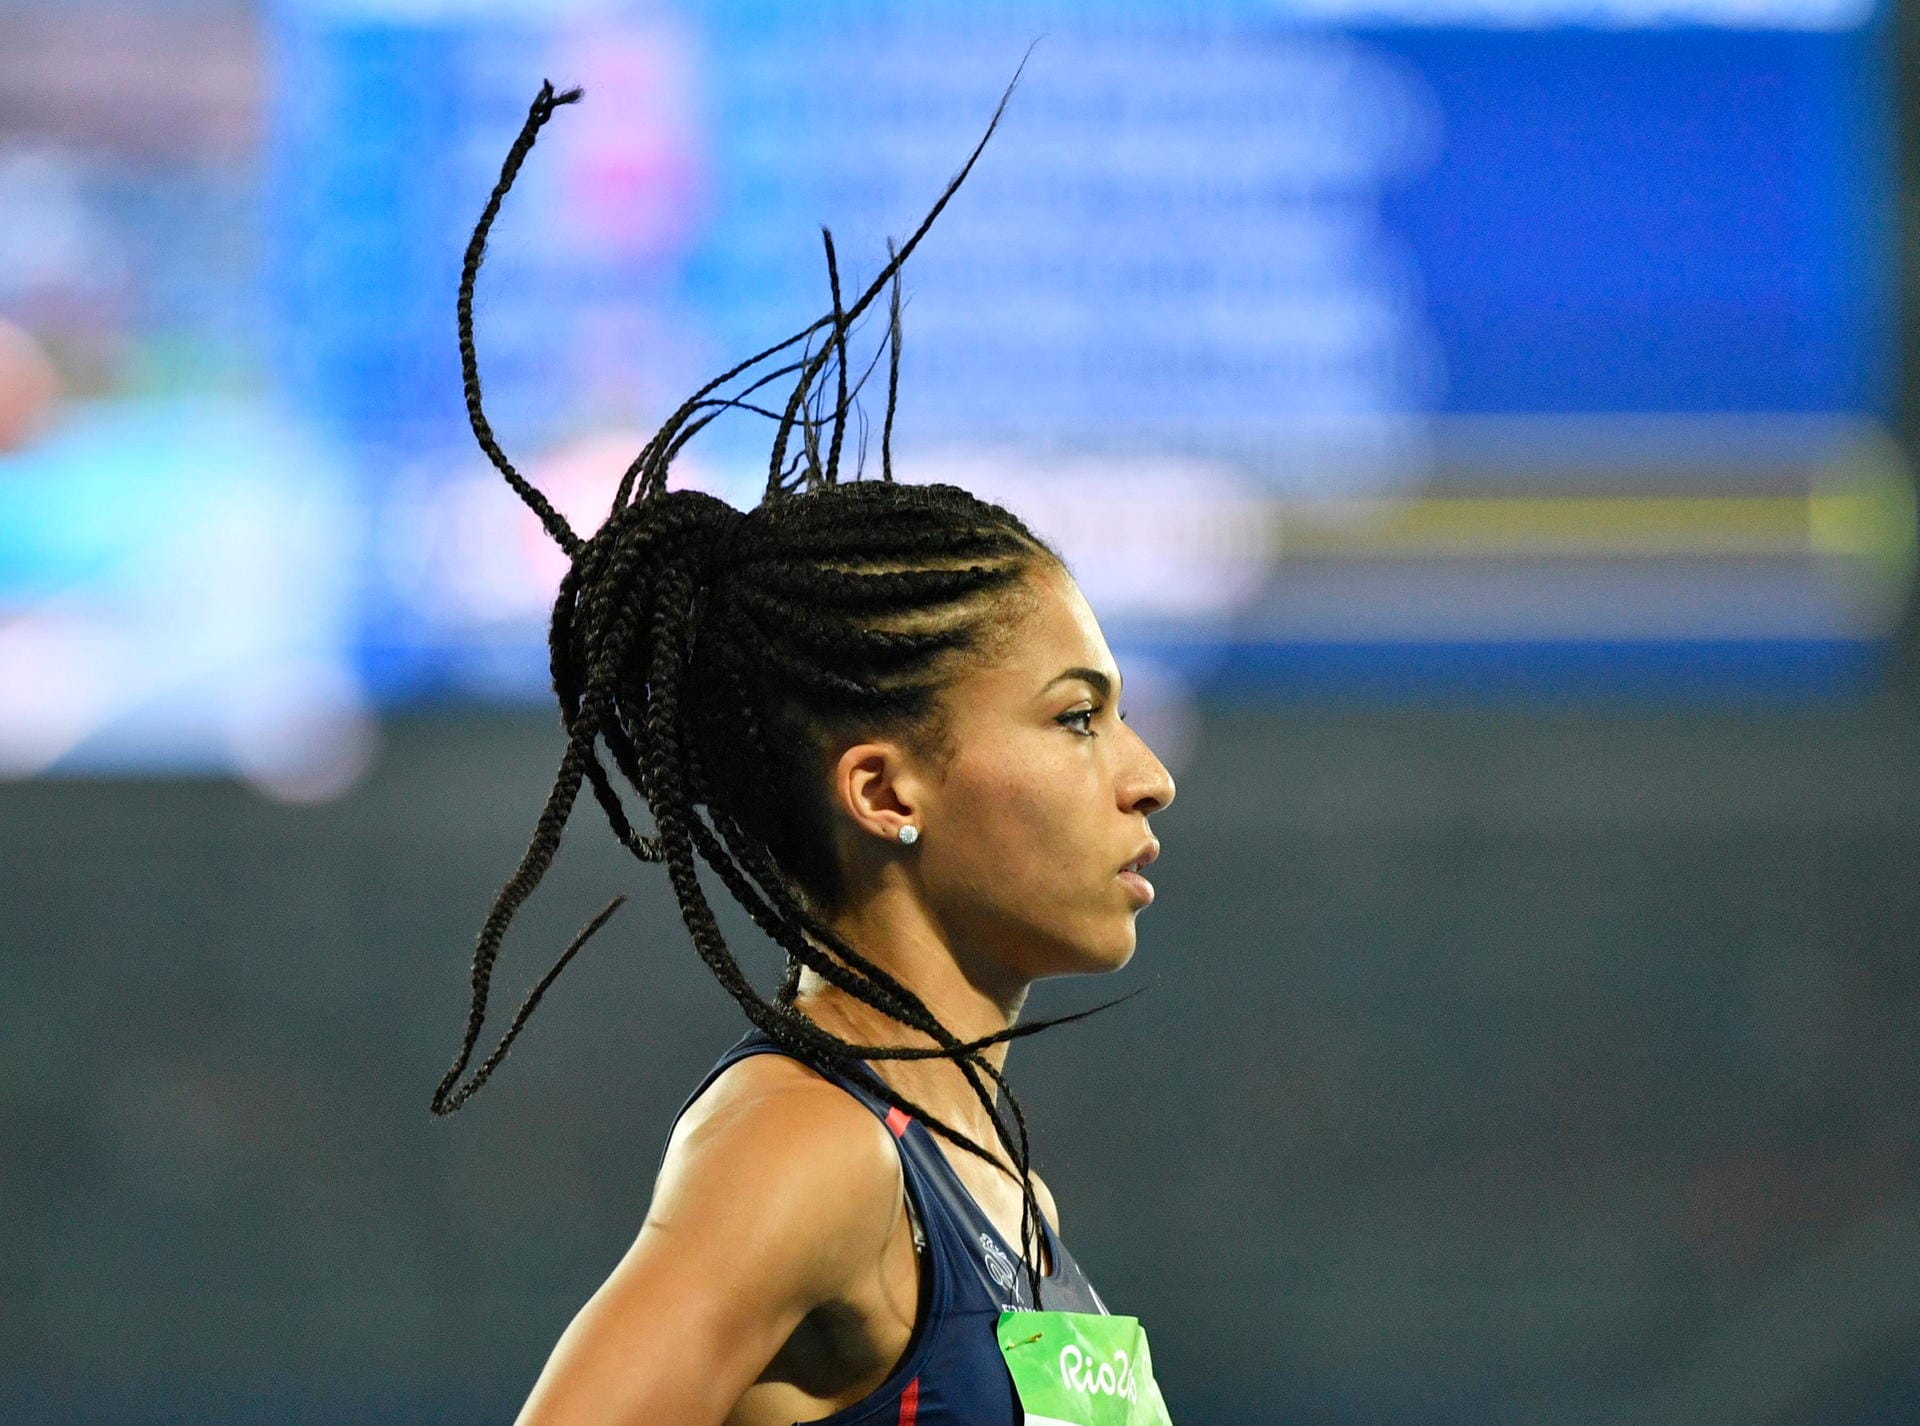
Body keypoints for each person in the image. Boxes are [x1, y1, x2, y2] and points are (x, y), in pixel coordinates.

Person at [431, 80, 1180, 1426]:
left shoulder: (998, 1188)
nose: (1145, 772)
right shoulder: (809, 1146)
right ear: (887, 788)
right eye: (1075, 716)